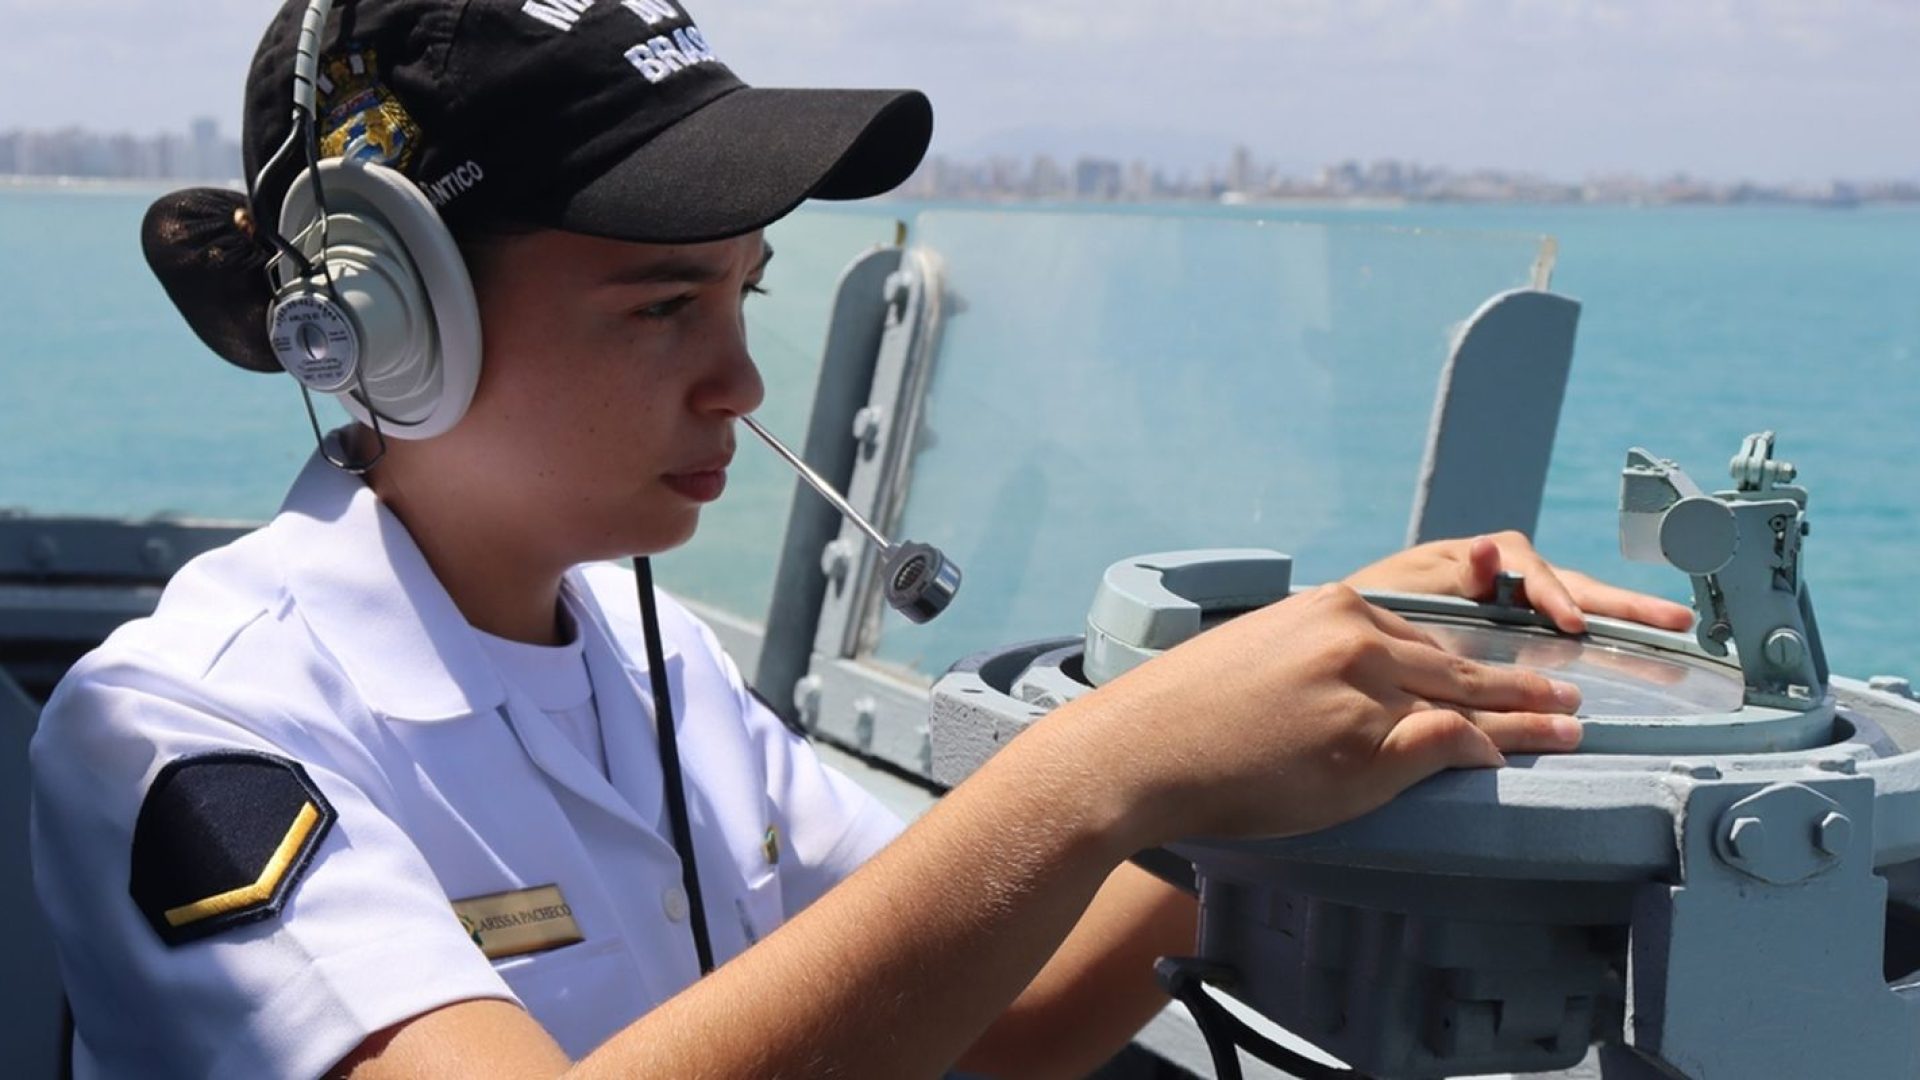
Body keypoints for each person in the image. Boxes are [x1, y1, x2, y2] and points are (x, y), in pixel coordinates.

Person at [28, 0, 1695, 1076]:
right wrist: (1105, 768)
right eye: (662, 304)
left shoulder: (649, 662)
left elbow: (1000, 1016)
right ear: (387, 322)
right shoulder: (186, 726)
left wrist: (1306, 712)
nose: (741, 378)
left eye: (747, 294)